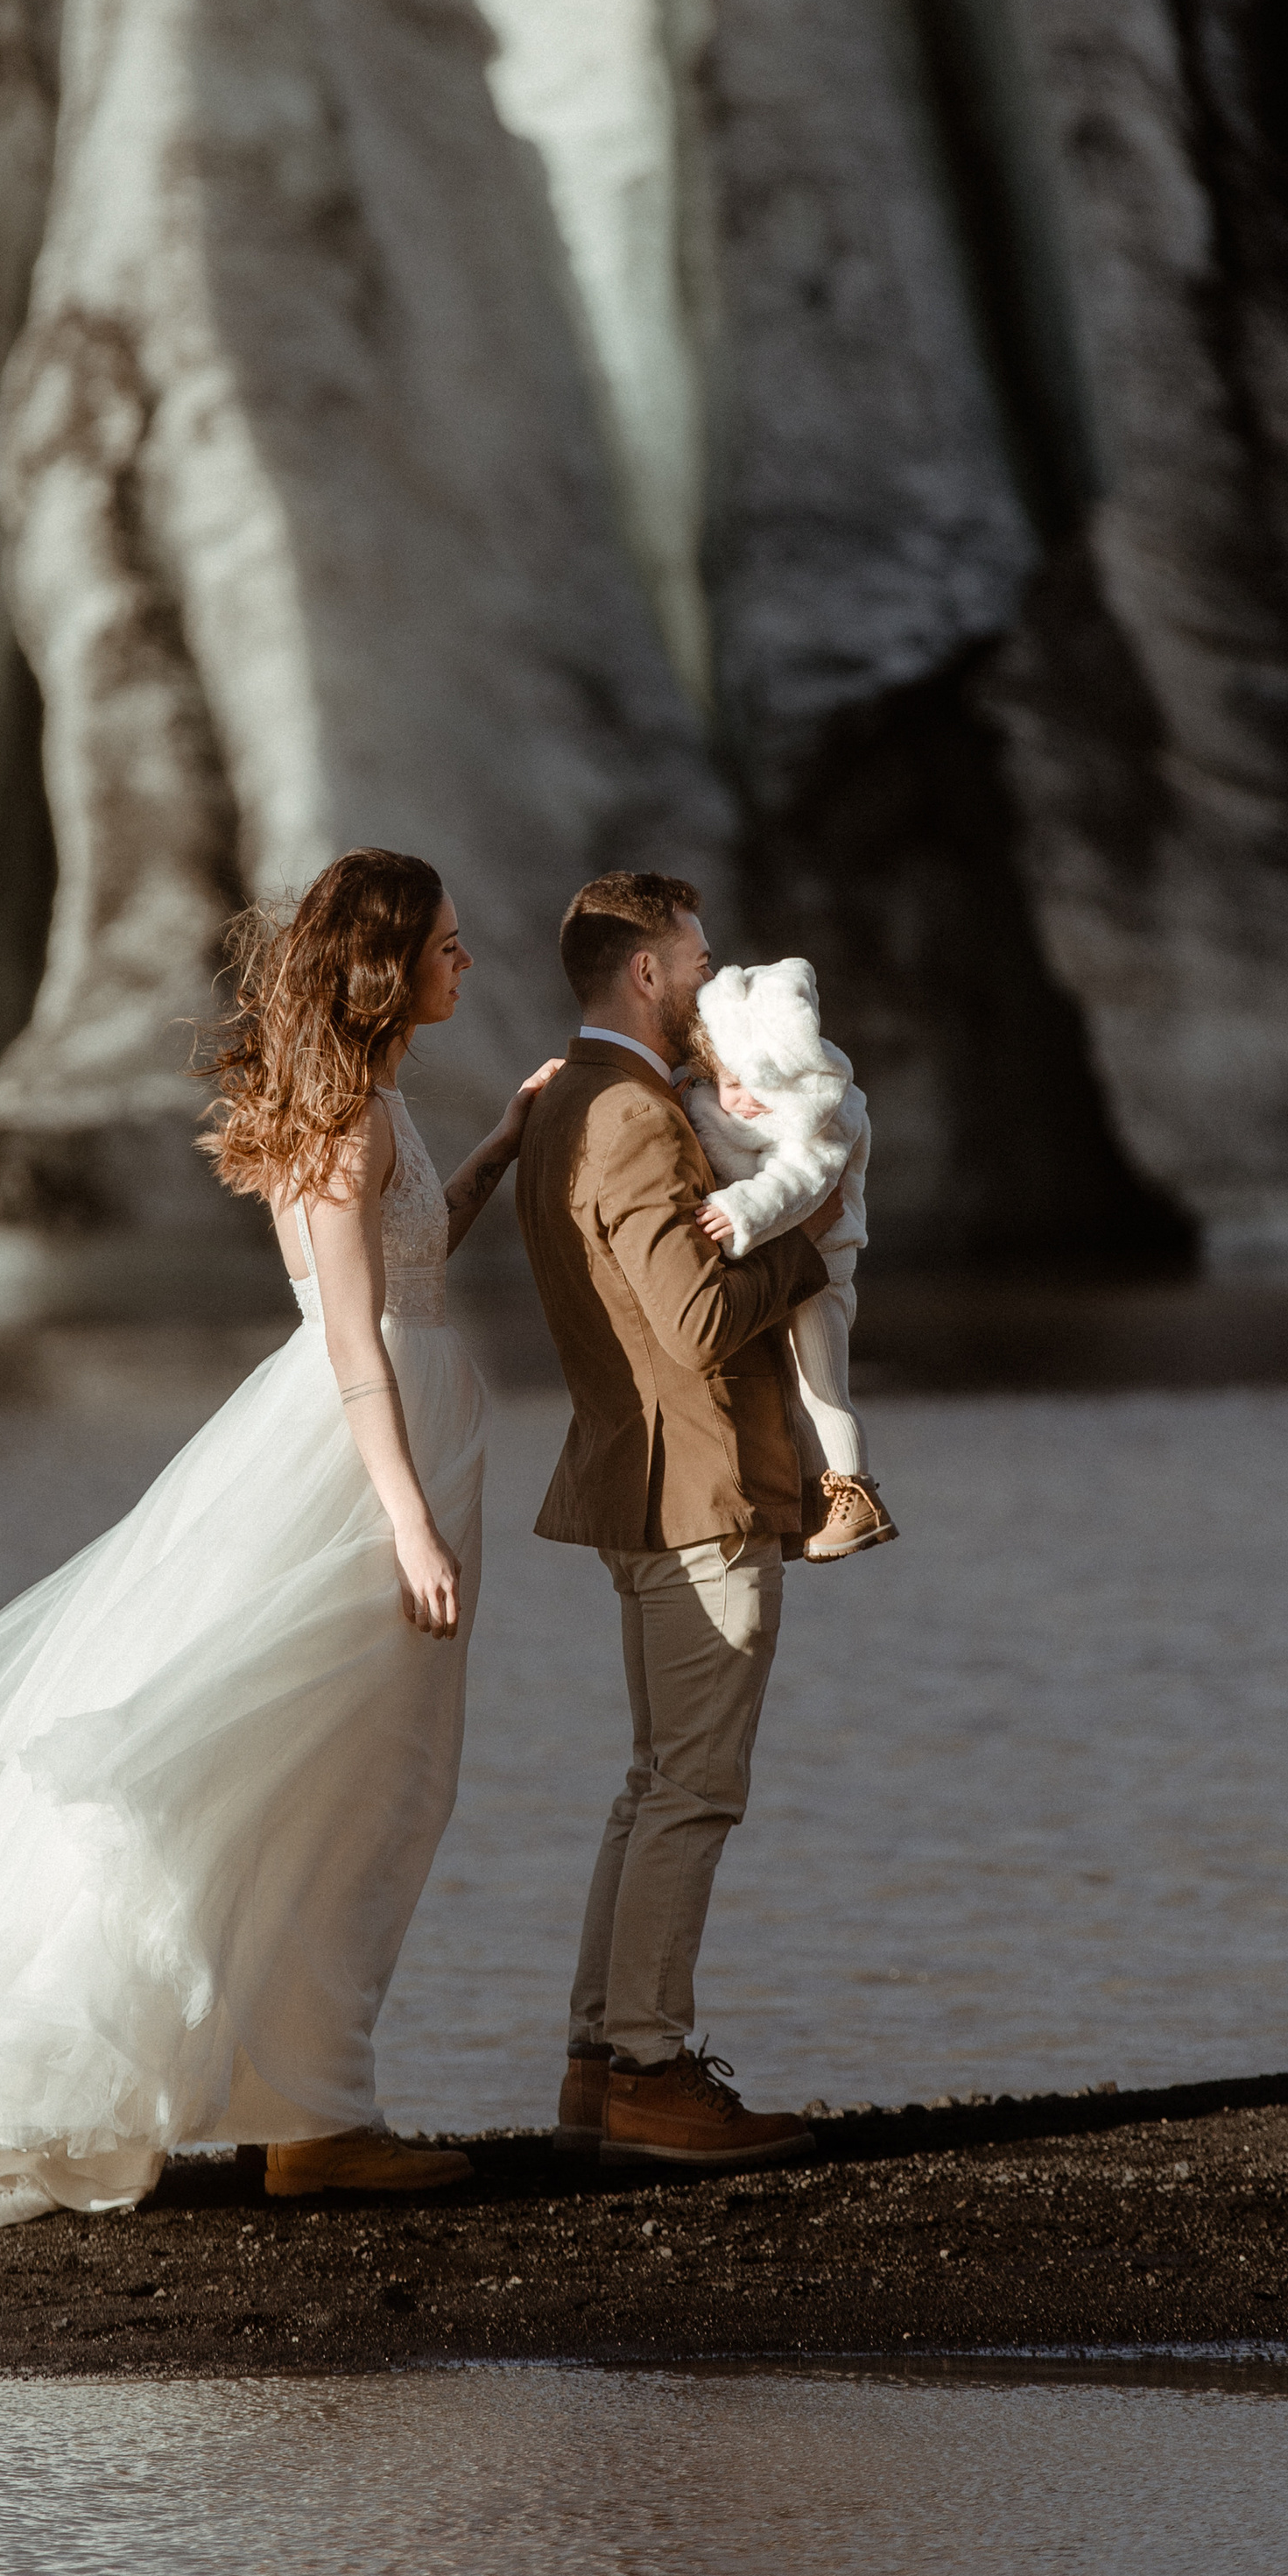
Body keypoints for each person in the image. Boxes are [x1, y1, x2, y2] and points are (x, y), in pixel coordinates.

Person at [0, 848, 557, 2226]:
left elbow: (407, 1270)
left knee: (357, 1778)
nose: (465, 964)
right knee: (350, 1778)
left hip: (372, 1443)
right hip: (352, 1464)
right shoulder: (349, 1125)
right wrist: (410, 1522)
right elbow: (356, 1345)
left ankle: (309, 2104)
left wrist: (496, 1149)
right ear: (385, 965)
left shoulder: (374, 1112)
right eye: (445, 946)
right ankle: (317, 2122)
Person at [515, 872, 836, 2170]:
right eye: (700, 960)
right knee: (694, 1788)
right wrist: (811, 1231)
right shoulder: (631, 1116)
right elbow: (698, 1319)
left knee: (654, 1784)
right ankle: (649, 2069)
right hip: (696, 1491)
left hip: (637, 1484)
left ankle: (603, 2066)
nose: (715, 981)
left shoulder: (566, 1103)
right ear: (645, 972)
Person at [684, 956, 895, 1563]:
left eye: (758, 1083)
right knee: (791, 1392)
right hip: (778, 1270)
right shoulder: (712, 1102)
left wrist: (744, 1209)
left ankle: (856, 1496)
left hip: (821, 1272)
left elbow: (802, 1182)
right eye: (729, 1084)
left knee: (823, 1388)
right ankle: (814, 1496)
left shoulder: (827, 1112)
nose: (744, 1101)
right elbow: (714, 1116)